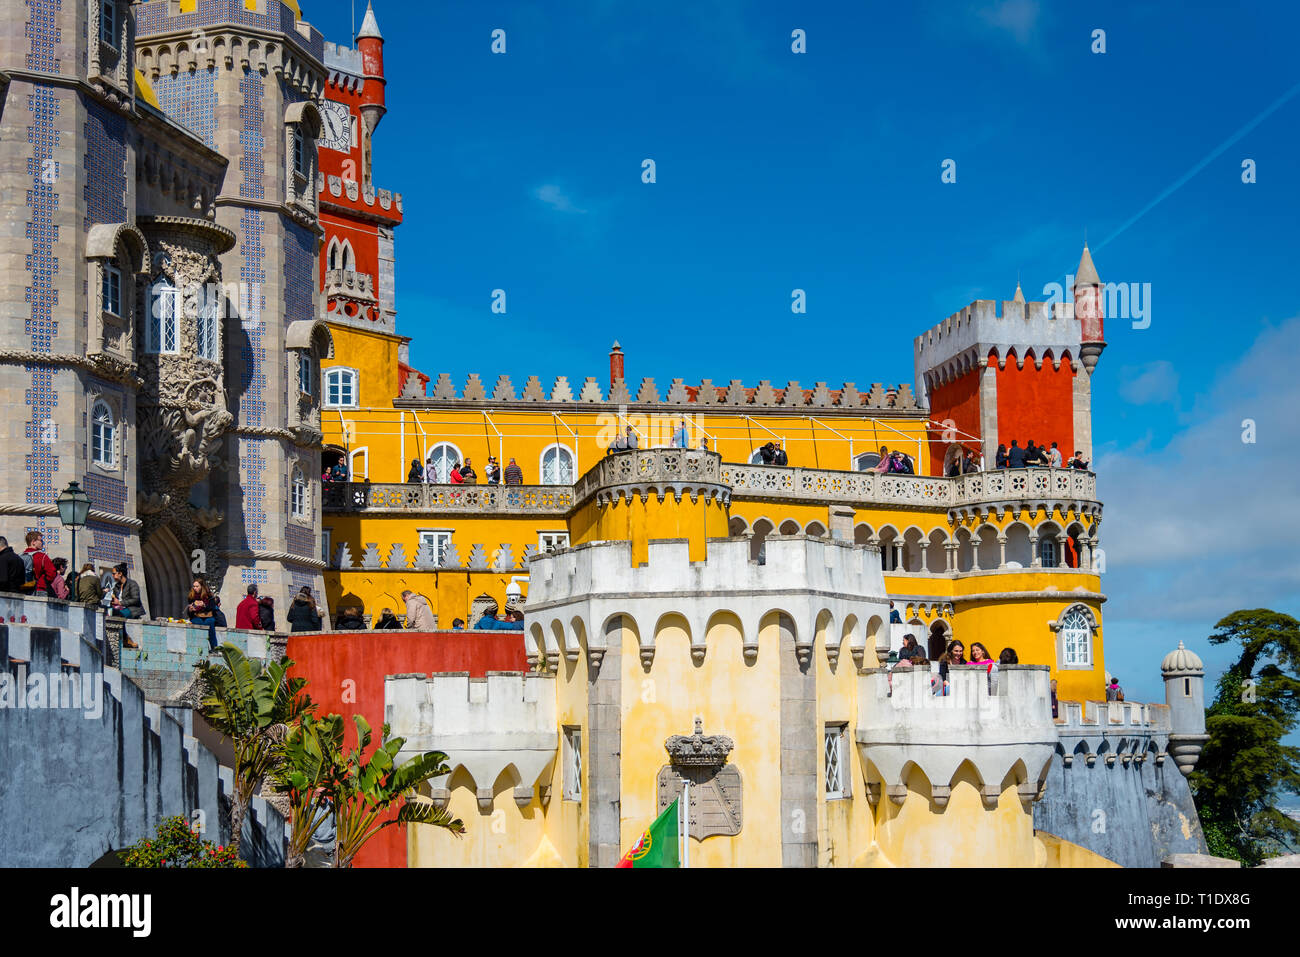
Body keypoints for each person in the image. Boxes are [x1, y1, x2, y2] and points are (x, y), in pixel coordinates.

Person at [187, 578, 219, 650]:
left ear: (201, 586)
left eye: (197, 586)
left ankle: (214, 647)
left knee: (210, 623)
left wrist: (204, 605)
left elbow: (212, 607)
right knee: (198, 622)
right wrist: (191, 609)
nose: (195, 588)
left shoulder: (209, 595)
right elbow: (189, 613)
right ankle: (199, 647)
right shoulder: (191, 596)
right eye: (194, 586)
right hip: (196, 616)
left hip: (208, 616)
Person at [22, 531, 57, 597]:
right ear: (33, 542)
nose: (42, 542)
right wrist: (43, 583)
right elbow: (52, 573)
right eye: (40, 540)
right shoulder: (42, 556)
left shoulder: (21, 556)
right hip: (39, 589)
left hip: (24, 589)